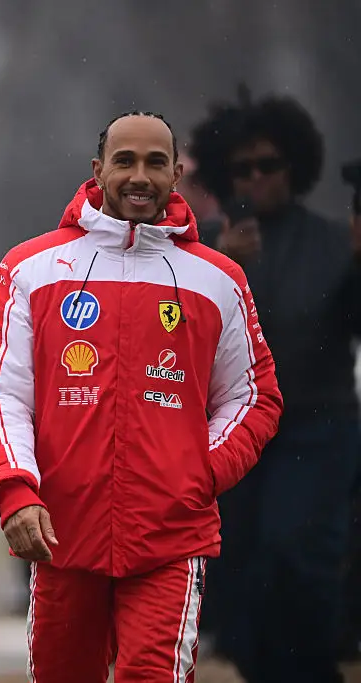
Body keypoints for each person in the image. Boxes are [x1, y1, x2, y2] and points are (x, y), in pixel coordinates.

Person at [0, 111, 282, 682]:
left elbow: (254, 397)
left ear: (176, 173)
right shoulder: (30, 268)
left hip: (170, 537)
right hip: (61, 536)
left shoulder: (218, 278)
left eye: (156, 163)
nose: (140, 176)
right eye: (125, 161)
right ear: (98, 170)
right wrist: (15, 492)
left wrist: (200, 471)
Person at [189, 89, 361, 683]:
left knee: (296, 556)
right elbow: (164, 327)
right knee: (233, 575)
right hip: (233, 431)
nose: (257, 178)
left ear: (296, 165)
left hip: (318, 427)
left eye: (270, 164)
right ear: (223, 174)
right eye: (243, 168)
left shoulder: (338, 241)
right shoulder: (196, 249)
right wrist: (215, 260)